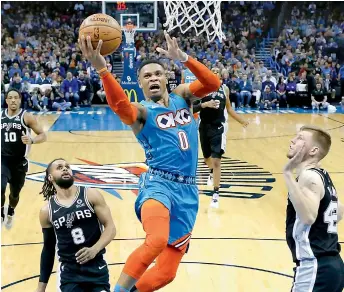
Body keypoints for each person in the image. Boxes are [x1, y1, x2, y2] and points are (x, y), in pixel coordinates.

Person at [78, 31, 221, 292]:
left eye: (158, 74)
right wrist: (102, 71)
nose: (153, 78)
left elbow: (213, 83)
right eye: (147, 76)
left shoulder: (183, 97)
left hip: (188, 191)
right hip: (158, 185)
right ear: (140, 84)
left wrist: (184, 58)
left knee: (166, 273)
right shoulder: (142, 112)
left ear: (166, 78)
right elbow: (121, 106)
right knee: (156, 241)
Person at [35, 158, 116, 292]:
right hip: (69, 274)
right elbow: (48, 249)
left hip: (97, 268)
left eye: (67, 166)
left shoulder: (90, 195)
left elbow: (110, 228)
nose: (65, 169)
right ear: (50, 177)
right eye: (59, 167)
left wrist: (94, 249)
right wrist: (40, 288)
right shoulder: (46, 211)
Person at [283, 125, 344, 292]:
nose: (293, 141)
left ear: (313, 150)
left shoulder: (309, 176)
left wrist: (288, 173)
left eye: (301, 138)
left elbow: (308, 217)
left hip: (315, 265)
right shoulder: (322, 175)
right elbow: (338, 211)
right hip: (331, 265)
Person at [193, 67, 249, 208]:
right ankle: (211, 172)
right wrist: (205, 104)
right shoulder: (202, 88)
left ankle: (216, 194)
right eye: (213, 70)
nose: (216, 72)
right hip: (204, 126)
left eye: (218, 71)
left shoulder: (225, 89)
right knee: (207, 158)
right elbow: (193, 107)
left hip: (218, 127)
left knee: (216, 160)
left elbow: (229, 109)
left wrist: (241, 120)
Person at [1, 88, 47, 229]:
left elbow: (43, 135)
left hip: (19, 162)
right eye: (10, 97)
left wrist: (32, 140)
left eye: (16, 97)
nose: (13, 100)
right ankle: (1, 211)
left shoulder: (26, 117)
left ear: (20, 100)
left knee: (14, 194)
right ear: (7, 100)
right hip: (3, 160)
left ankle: (11, 211)